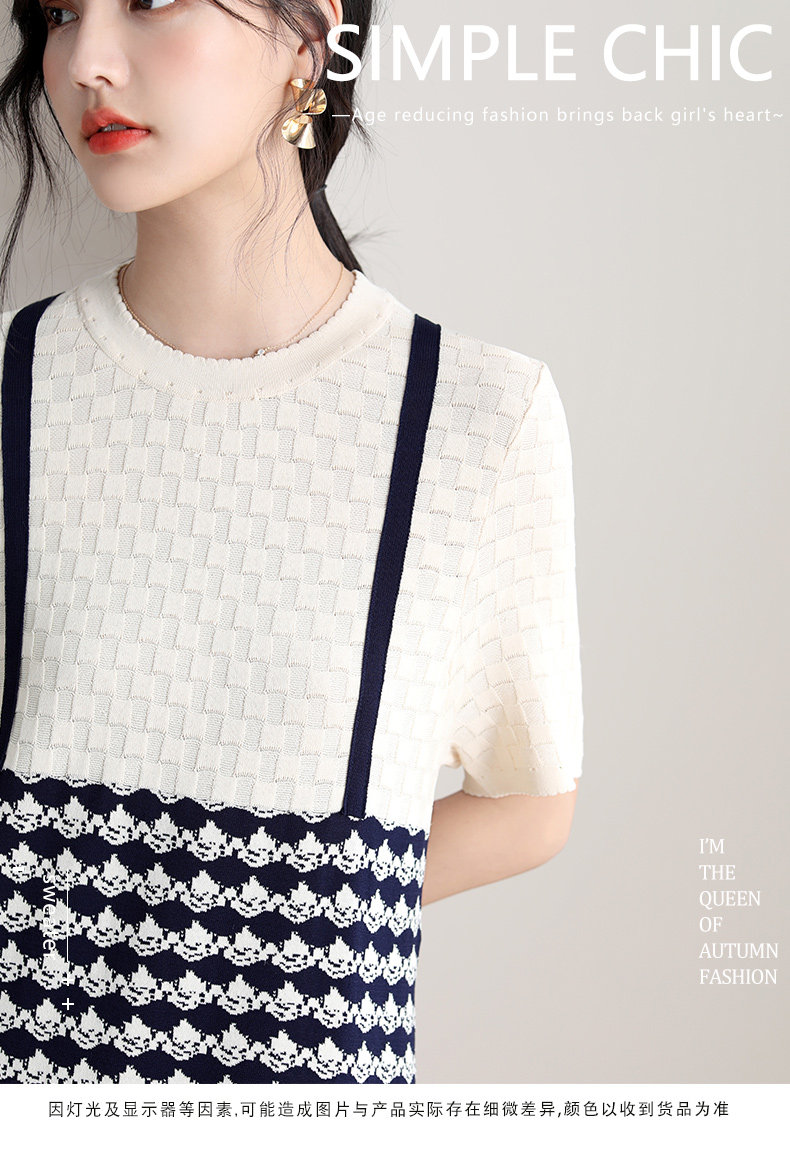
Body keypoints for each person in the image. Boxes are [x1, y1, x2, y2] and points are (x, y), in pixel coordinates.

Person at [0, 0, 583, 1084]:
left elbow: (528, 804)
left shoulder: (474, 415)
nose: (85, 61)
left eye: (147, 2)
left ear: (309, 37)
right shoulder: (14, 382)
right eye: (60, 15)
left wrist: (291, 925)